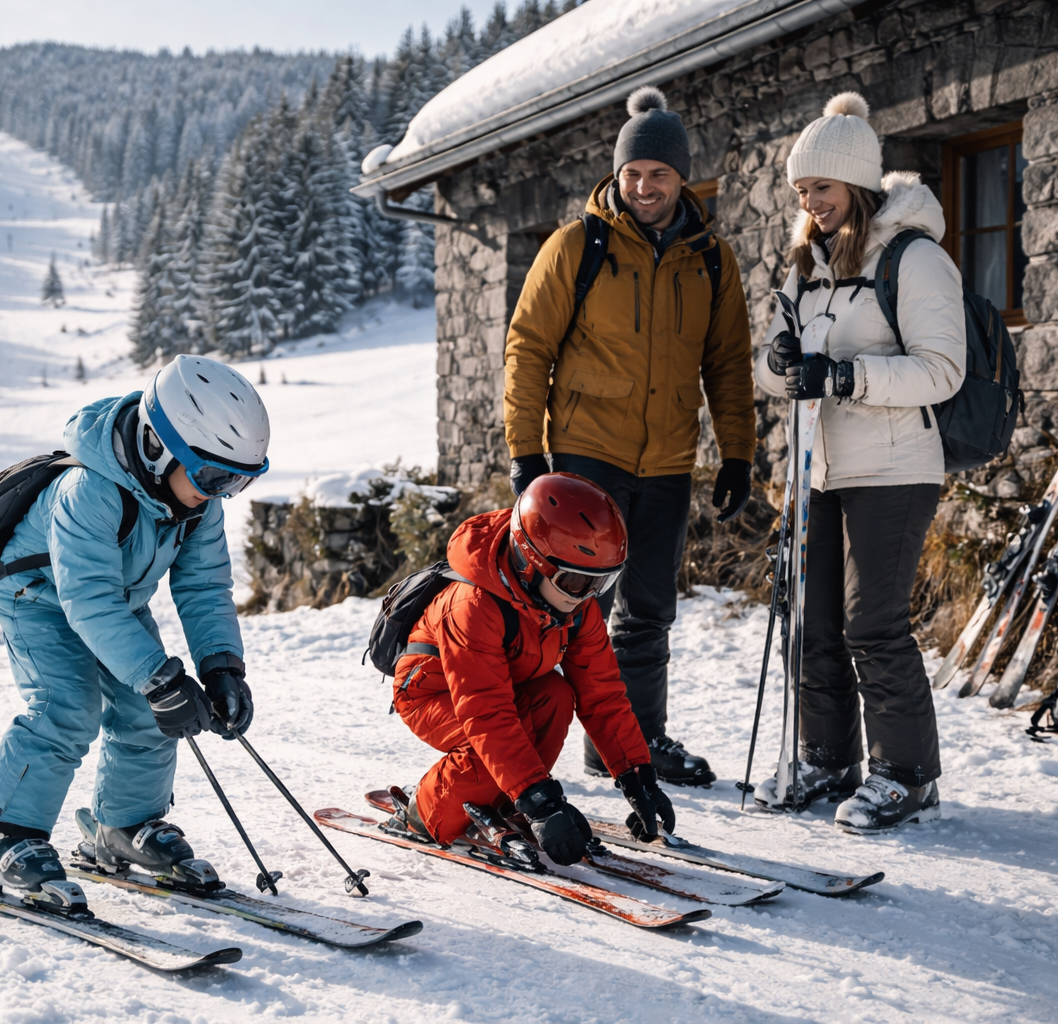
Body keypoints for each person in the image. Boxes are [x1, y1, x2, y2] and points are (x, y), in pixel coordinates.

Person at [504, 85, 757, 787]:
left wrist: (738, 452)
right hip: (588, 459)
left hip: (669, 462)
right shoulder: (575, 246)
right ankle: (525, 742)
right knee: (569, 611)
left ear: (683, 179)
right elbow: (528, 348)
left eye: (660, 174)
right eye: (633, 174)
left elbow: (728, 362)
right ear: (618, 175)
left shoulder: (712, 259)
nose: (645, 187)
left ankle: (633, 745)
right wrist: (527, 451)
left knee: (649, 613)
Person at [0, 354, 271, 909]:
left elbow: (203, 588)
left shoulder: (198, 504)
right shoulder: (90, 491)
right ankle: (0, 833)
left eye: (236, 482)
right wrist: (158, 676)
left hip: (114, 603)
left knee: (149, 711)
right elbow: (87, 599)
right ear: (158, 446)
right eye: (214, 476)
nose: (221, 492)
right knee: (66, 705)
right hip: (39, 597)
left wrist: (221, 667)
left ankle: (123, 827)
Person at [750, 92, 965, 832]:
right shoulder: (803, 268)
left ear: (860, 187)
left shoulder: (915, 258)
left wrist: (844, 376)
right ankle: (826, 758)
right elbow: (771, 375)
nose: (812, 201)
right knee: (812, 624)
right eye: (803, 191)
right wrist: (782, 364)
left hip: (896, 468)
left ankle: (907, 774)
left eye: (824, 188)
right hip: (818, 470)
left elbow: (942, 371)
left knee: (871, 625)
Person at [385, 473, 677, 867]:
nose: (589, 596)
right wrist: (542, 803)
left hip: (504, 688)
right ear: (531, 562)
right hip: (430, 692)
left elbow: (602, 694)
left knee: (557, 694)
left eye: (603, 582)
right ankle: (423, 813)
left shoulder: (574, 602)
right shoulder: (473, 605)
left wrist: (638, 779)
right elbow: (487, 715)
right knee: (486, 752)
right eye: (576, 581)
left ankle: (506, 798)